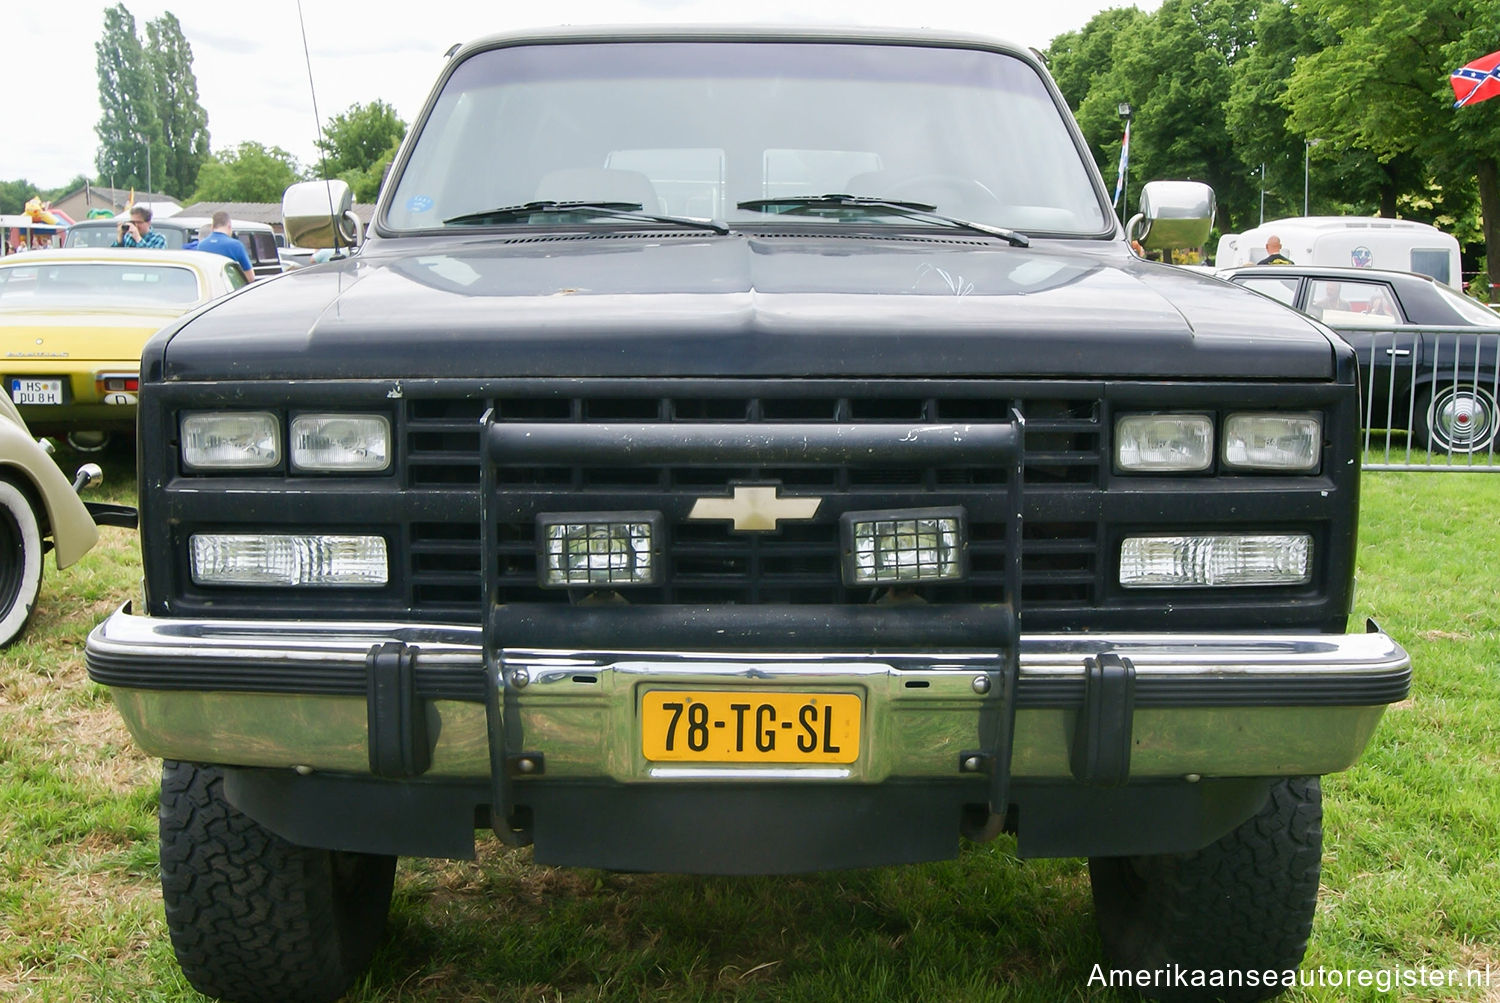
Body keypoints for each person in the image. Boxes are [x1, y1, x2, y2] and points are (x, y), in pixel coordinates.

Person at [194, 211, 255, 282]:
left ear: (212, 227)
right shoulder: (236, 245)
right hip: (229, 289)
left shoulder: (201, 245)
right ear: (229, 226)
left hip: (210, 288)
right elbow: (250, 277)